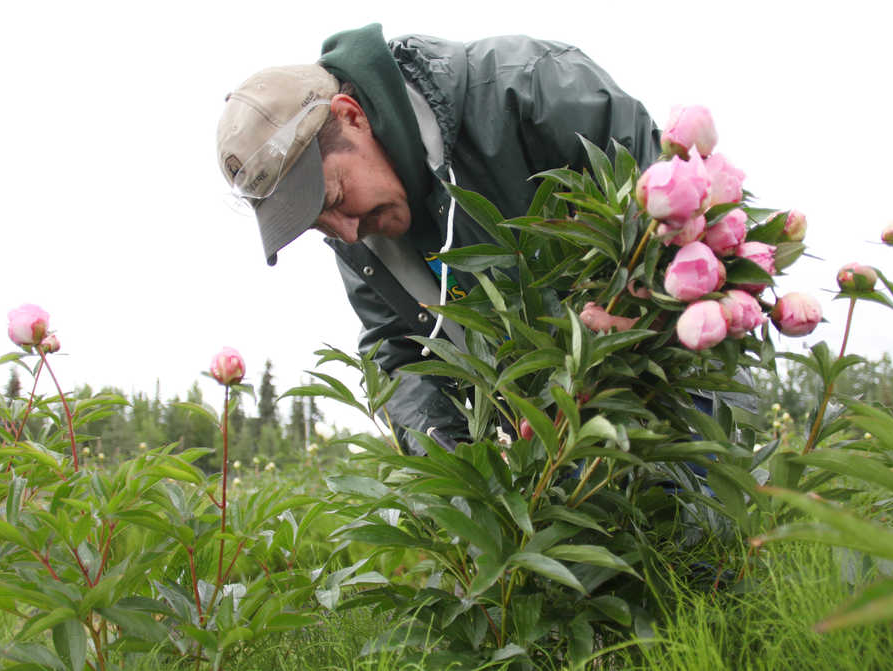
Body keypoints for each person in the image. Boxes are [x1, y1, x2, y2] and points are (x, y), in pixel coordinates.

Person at [215, 24, 660, 454]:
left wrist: (646, 302)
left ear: (352, 117)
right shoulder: (361, 241)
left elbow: (662, 193)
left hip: (673, 397)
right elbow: (399, 354)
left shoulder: (526, 87)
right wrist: (447, 458)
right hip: (559, 460)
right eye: (318, 222)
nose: (345, 231)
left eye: (333, 195)